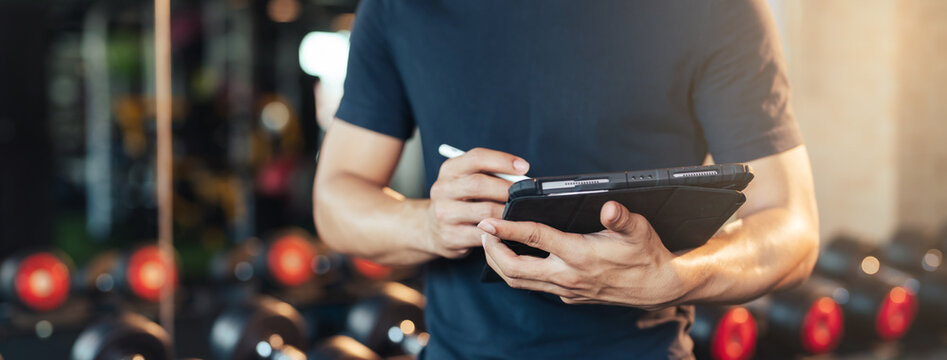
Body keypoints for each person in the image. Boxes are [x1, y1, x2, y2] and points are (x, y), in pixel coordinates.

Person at [313, 1, 819, 358]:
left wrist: (677, 275)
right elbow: (335, 198)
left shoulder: (713, 8)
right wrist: (430, 222)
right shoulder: (401, 8)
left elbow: (791, 226)